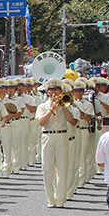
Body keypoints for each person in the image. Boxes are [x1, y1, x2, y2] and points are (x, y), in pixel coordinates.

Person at [37, 79, 77, 208]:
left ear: (61, 91)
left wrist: (62, 107)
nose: (54, 92)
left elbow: (72, 121)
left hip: (62, 136)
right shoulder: (42, 106)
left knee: (62, 168)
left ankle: (60, 199)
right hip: (48, 136)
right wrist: (52, 109)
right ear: (47, 92)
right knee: (47, 169)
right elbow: (41, 122)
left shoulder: (67, 105)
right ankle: (51, 199)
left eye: (56, 89)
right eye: (51, 90)